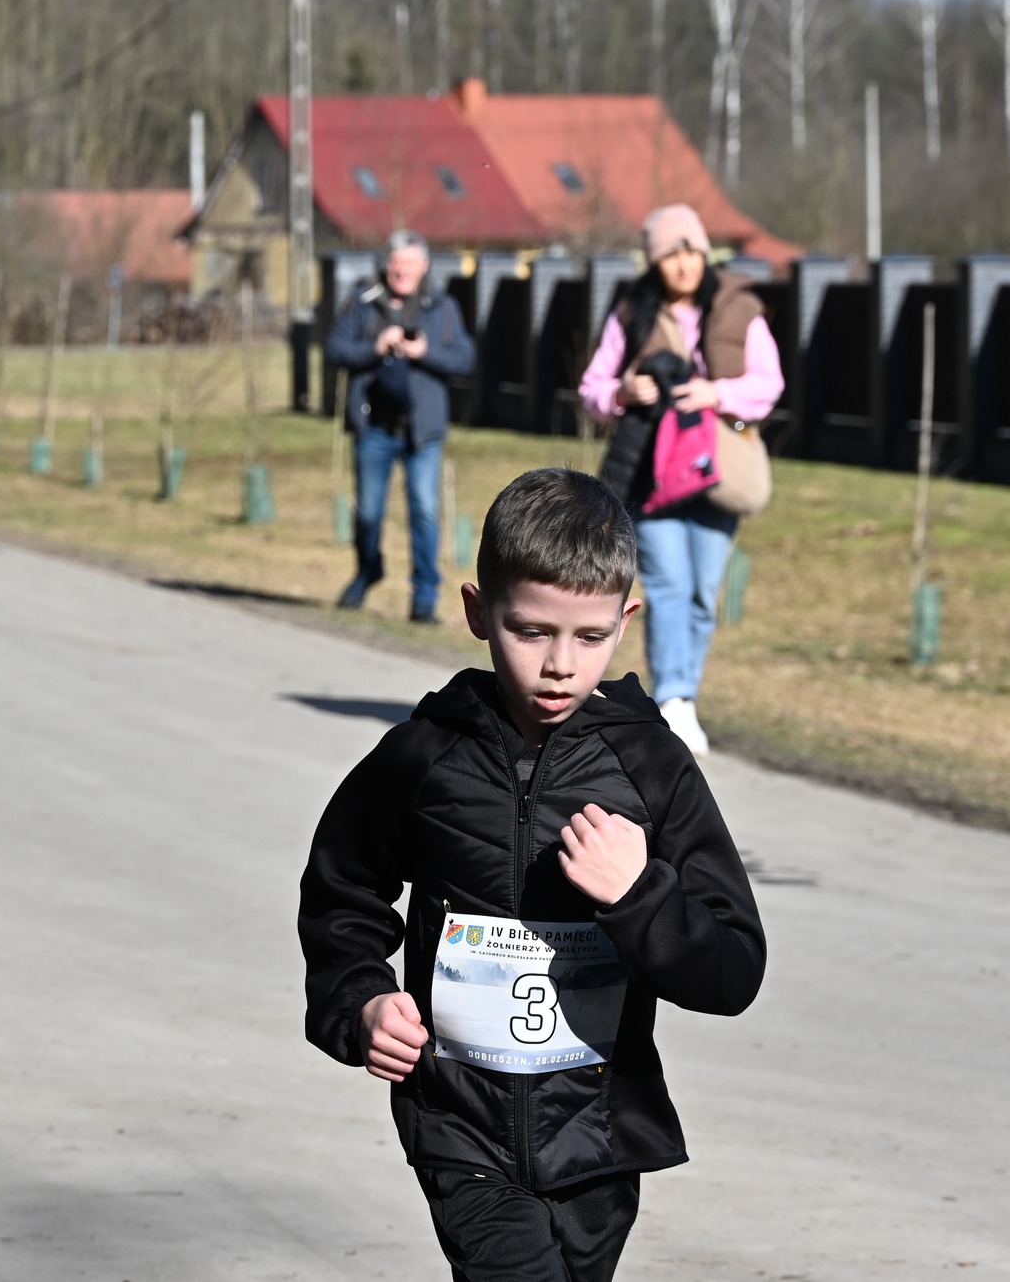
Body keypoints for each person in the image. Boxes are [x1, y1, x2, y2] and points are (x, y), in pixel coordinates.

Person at [299, 467, 766, 1282]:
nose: (559, 665)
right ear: (480, 611)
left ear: (627, 619)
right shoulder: (424, 756)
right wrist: (359, 1001)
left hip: (598, 1135)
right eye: (530, 631)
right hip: (458, 1123)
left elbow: (732, 967)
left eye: (589, 637)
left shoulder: (652, 769)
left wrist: (639, 894)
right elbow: (343, 887)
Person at [578, 204, 783, 756]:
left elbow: (769, 382)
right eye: (671, 254)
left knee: (700, 592)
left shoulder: (738, 307)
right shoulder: (633, 313)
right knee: (667, 585)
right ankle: (672, 700)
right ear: (654, 261)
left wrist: (717, 395)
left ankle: (684, 696)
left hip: (718, 470)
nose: (684, 263)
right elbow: (592, 387)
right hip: (651, 472)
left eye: (691, 250)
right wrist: (624, 392)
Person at [324, 229, 475, 624]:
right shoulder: (363, 302)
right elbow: (334, 350)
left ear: (423, 266)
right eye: (396, 263)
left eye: (409, 263)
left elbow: (464, 359)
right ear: (386, 265)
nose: (401, 270)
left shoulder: (441, 307)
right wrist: (374, 348)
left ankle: (424, 597)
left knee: (424, 512)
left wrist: (425, 352)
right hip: (373, 426)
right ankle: (367, 569)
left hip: (422, 431)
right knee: (369, 513)